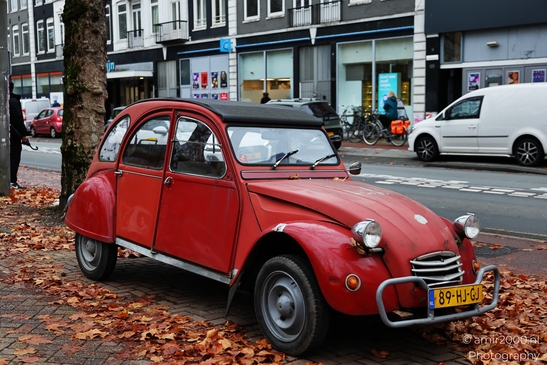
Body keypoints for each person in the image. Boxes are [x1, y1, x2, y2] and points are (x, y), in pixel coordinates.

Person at [9, 81, 28, 190]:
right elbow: (17, 119)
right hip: (13, 135)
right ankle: (12, 181)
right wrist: (23, 134)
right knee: (14, 158)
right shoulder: (13, 101)